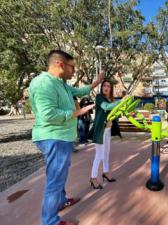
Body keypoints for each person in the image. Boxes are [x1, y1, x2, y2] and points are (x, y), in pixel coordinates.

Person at [29, 49, 103, 225]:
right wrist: (76, 112)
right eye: (72, 67)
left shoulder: (61, 83)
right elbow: (48, 114)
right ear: (59, 64)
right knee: (55, 180)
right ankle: (50, 221)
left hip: (61, 137)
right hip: (53, 137)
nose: (73, 71)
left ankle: (61, 201)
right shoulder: (43, 83)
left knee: (59, 174)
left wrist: (97, 82)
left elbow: (80, 91)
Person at [89, 80, 121, 189]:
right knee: (99, 155)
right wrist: (121, 101)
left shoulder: (110, 99)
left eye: (108, 86)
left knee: (106, 152)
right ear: (102, 87)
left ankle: (105, 172)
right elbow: (106, 107)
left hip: (107, 130)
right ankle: (93, 178)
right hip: (100, 131)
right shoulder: (99, 98)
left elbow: (115, 112)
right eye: (104, 86)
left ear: (111, 88)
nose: (106, 88)